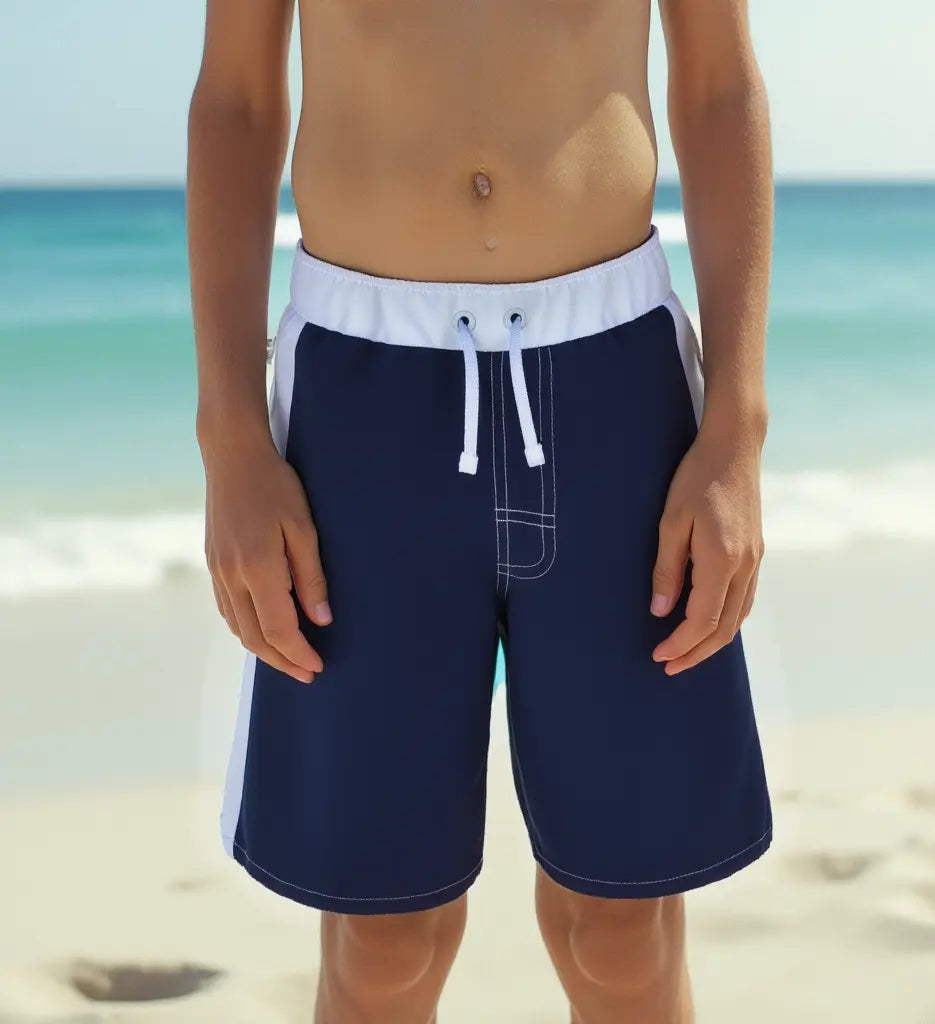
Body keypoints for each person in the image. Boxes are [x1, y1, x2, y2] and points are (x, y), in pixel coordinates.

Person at [187, 0, 773, 1020]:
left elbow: (719, 87)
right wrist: (231, 435)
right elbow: (236, 101)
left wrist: (736, 424)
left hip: (613, 388)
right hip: (363, 399)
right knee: (384, 942)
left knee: (619, 930)